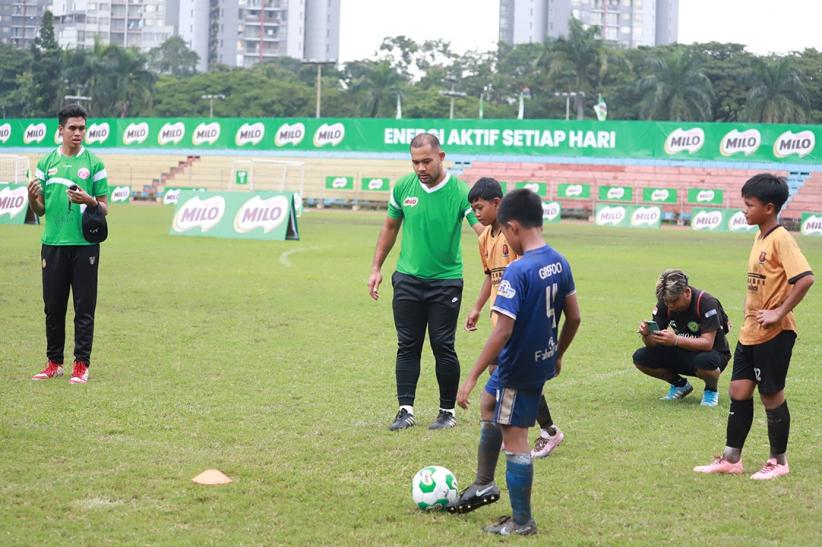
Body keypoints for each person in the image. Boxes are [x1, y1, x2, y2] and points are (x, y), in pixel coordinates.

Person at [455, 189, 581, 535]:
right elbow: (574, 318)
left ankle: (522, 520)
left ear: (511, 227)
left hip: (517, 366)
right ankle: (484, 484)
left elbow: (502, 332)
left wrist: (472, 375)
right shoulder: (559, 261)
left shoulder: (518, 270)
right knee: (488, 401)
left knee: (516, 440)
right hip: (541, 360)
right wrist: (559, 354)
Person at [695, 174, 813, 480]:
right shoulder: (760, 235)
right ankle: (732, 459)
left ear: (769, 208)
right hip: (751, 330)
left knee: (771, 395)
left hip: (775, 332)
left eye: (749, 205)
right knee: (738, 390)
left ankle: (779, 462)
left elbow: (805, 278)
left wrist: (779, 312)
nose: (743, 210)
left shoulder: (781, 238)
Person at [368, 133, 482, 431]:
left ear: (441, 157)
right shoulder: (403, 187)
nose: (420, 167)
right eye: (415, 162)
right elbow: (390, 227)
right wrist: (376, 267)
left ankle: (447, 412)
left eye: (427, 161)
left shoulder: (459, 191)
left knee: (443, 345)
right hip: (407, 279)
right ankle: (405, 410)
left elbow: (481, 229)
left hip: (446, 282)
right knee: (407, 345)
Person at [464, 177, 564, 457]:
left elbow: (529, 274)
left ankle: (545, 432)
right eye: (473, 208)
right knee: (500, 372)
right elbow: (490, 277)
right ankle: (537, 431)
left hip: (518, 320)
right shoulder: (484, 238)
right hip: (501, 318)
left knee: (510, 375)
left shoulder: (515, 236)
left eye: (480, 207)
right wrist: (477, 308)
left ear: (497, 203)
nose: (477, 213)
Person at [28, 104, 109, 384]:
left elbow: (105, 208)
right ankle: (54, 363)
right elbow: (39, 211)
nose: (78, 133)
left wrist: (89, 201)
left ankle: (81, 365)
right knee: (53, 307)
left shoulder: (94, 163)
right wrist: (31, 197)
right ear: (60, 130)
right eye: (72, 128)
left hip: (85, 245)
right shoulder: (46, 163)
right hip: (53, 242)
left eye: (82, 128)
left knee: (84, 307)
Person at [633, 269, 731, 407]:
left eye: (674, 301)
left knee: (705, 361)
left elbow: (708, 343)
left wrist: (676, 340)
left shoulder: (706, 302)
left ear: (687, 292)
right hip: (682, 350)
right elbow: (653, 344)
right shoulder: (665, 302)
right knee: (641, 357)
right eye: (667, 302)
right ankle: (680, 385)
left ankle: (711, 391)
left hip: (713, 353)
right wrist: (647, 335)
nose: (670, 305)